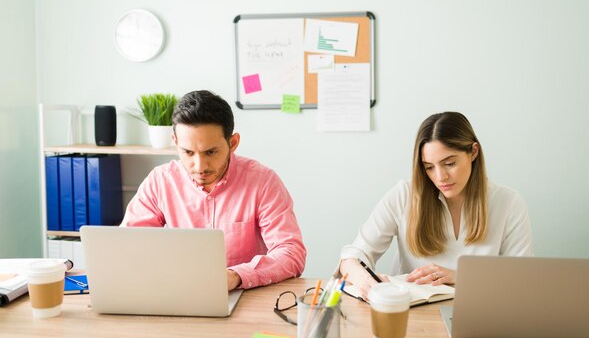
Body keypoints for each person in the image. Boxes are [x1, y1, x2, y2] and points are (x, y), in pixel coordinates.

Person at [122, 90, 306, 291]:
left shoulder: (263, 182)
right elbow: (129, 245)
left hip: (244, 296)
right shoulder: (160, 181)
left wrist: (237, 276)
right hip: (178, 292)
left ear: (233, 143)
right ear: (175, 142)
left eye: (211, 152)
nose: (200, 166)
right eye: (188, 152)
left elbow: (290, 253)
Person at [339, 112, 532, 299]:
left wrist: (461, 277)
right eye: (429, 167)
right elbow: (352, 257)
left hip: (480, 312)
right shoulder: (404, 195)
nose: (440, 177)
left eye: (449, 163)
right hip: (413, 316)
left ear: (473, 152)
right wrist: (365, 280)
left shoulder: (509, 203)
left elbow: (523, 279)